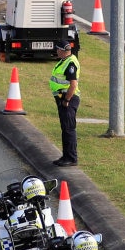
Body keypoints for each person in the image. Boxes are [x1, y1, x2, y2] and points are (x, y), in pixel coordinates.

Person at [50, 39, 80, 167]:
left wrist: (66, 100)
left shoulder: (70, 63)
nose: (57, 51)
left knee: (69, 129)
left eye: (58, 49)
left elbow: (73, 85)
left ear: (63, 51)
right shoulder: (65, 61)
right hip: (63, 98)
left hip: (68, 99)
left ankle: (71, 158)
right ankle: (66, 156)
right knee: (65, 129)